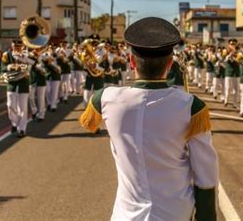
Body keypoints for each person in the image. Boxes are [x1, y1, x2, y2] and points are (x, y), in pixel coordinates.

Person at [79, 17, 218, 220]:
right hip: (175, 213)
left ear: (132, 61)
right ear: (170, 64)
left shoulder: (106, 98)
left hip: (125, 215)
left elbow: (89, 124)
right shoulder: (192, 107)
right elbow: (205, 175)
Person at [1, 40, 33, 137]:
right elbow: (2, 68)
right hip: (12, 83)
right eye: (15, 47)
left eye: (19, 47)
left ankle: (22, 129)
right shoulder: (7, 55)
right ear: (12, 46)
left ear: (22, 46)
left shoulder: (26, 55)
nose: (17, 48)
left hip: (23, 83)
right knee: (10, 106)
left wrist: (25, 60)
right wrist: (11, 66)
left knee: (23, 107)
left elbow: (33, 64)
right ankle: (15, 123)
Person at [29, 48, 47, 121]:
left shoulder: (44, 56)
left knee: (41, 98)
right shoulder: (29, 56)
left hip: (41, 80)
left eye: (38, 49)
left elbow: (46, 67)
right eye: (35, 49)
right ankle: (34, 110)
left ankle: (41, 115)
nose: (36, 50)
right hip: (32, 79)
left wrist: (39, 58)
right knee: (30, 97)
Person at [224, 39, 240, 108]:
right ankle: (226, 100)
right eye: (231, 44)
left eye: (234, 44)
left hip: (236, 73)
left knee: (236, 89)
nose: (232, 45)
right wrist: (230, 54)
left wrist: (236, 53)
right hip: (229, 72)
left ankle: (235, 103)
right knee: (227, 88)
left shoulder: (239, 52)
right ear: (228, 45)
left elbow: (240, 61)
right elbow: (224, 60)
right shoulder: (226, 51)